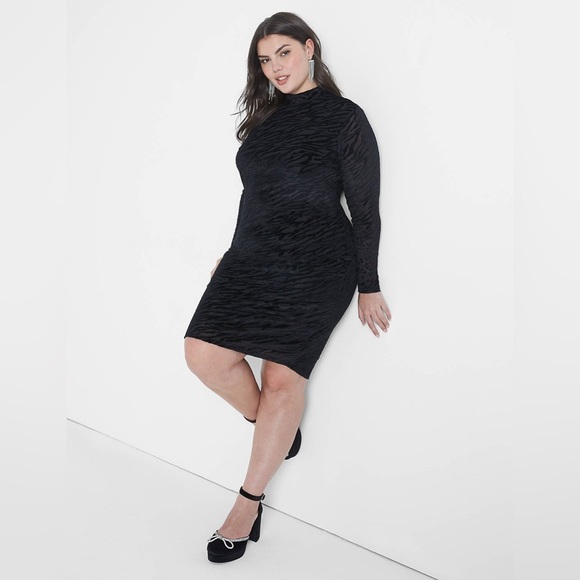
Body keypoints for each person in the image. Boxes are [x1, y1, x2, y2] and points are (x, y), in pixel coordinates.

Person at [183, 11, 391, 563]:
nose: (275, 67)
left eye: (284, 53)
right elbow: (254, 196)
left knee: (281, 380)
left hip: (319, 262)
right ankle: (273, 425)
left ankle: (246, 505)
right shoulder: (264, 121)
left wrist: (369, 284)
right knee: (203, 354)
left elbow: (365, 210)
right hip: (255, 256)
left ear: (309, 48)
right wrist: (235, 254)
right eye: (264, 60)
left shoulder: (345, 117)